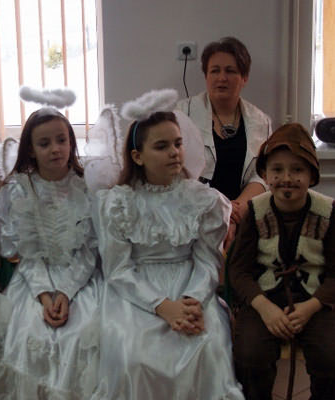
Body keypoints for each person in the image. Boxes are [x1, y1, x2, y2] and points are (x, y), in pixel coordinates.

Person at [92, 93, 244, 399]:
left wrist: (192, 302)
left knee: (207, 345)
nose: (174, 152)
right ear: (138, 156)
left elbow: (208, 260)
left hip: (190, 285)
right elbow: (118, 268)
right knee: (135, 355)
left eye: (178, 143)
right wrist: (162, 306)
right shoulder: (118, 203)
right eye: (161, 146)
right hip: (136, 291)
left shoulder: (202, 200)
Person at [0, 107, 102, 399]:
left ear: (71, 142)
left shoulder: (88, 188)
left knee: (81, 333)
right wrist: (45, 295)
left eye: (61, 140)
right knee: (30, 334)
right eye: (44, 143)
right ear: (31, 150)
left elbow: (90, 252)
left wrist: (66, 293)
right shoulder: (18, 191)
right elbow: (25, 255)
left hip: (81, 279)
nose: (55, 149)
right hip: (34, 280)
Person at [228, 123, 335, 400]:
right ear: (265, 174)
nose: (287, 178)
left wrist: (310, 307)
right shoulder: (255, 212)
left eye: (297, 170)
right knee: (249, 356)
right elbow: (238, 271)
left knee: (333, 359)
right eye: (277, 169)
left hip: (314, 302)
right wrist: (264, 307)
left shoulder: (327, 214)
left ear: (312, 175)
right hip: (264, 301)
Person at [176, 36, 271, 246]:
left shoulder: (261, 121)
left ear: (244, 77)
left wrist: (236, 211)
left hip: (242, 216)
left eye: (230, 71)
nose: (222, 78)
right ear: (206, 76)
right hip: (193, 216)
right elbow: (176, 173)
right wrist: (219, 211)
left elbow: (263, 174)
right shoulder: (182, 114)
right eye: (215, 71)